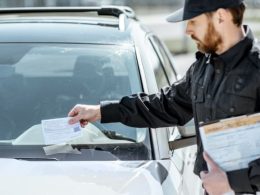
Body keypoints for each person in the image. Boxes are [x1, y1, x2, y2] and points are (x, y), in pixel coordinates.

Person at [68, 0, 260, 194]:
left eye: (193, 21)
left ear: (221, 16)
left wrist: (233, 182)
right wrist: (101, 112)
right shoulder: (202, 69)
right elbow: (164, 104)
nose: (187, 30)